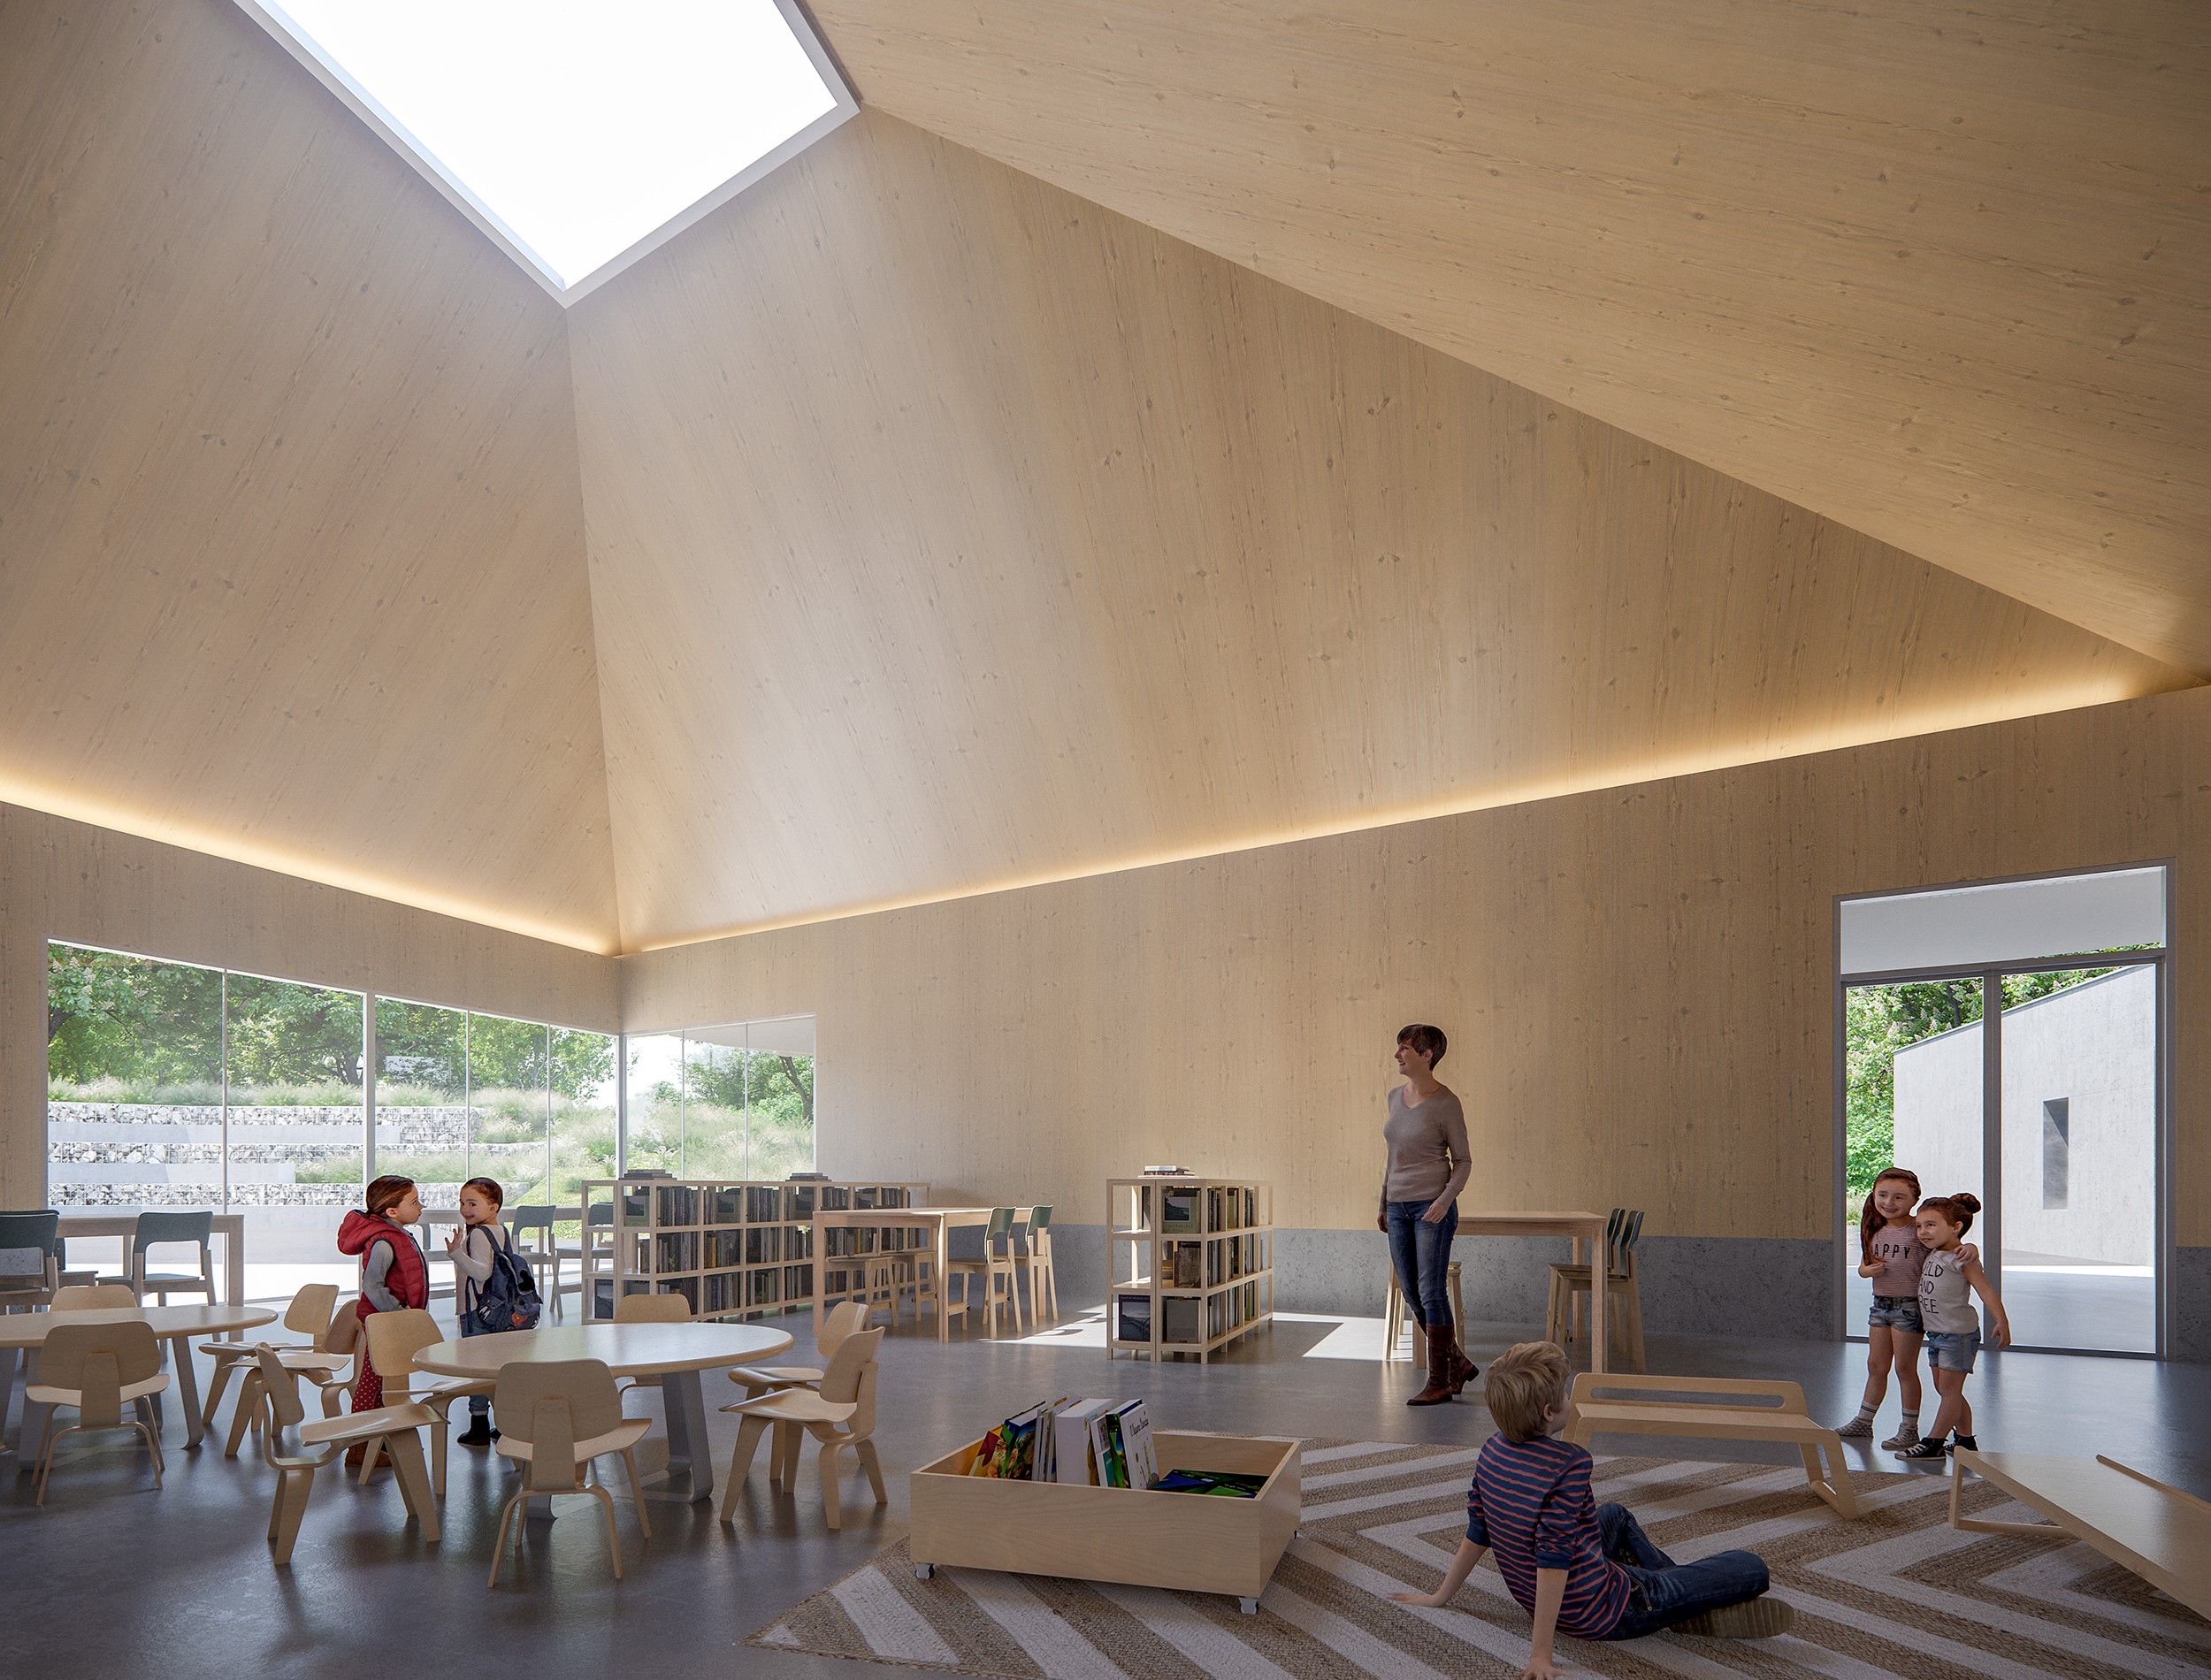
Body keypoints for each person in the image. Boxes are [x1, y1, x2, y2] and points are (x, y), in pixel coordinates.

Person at [1391, 1342, 1793, 1676]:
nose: (1570, 1400)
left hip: (1541, 1594)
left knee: (1614, 1514)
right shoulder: (1569, 1465)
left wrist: (1439, 1596)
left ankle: (1676, 1596)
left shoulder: (1491, 1451)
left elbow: (1478, 1533)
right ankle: (1677, 1606)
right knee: (1750, 1566)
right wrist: (1540, 1655)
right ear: (1549, 1413)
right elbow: (1553, 1560)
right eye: (1565, 1395)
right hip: (1605, 1610)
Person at [1378, 1022, 1475, 1404]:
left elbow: (1463, 1161)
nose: (1397, 1055)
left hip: (1432, 1208)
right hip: (1397, 1207)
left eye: (1404, 1049)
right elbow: (1393, 1158)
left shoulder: (1447, 1103)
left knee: (1431, 1291)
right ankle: (1457, 1364)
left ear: (1426, 1055)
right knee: (1411, 1291)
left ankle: (1440, 1381)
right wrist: (1383, 1202)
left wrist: (1444, 1201)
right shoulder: (1394, 1097)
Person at [1898, 1192, 2010, 1460]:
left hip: (1957, 1335)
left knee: (1949, 1391)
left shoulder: (1962, 1258)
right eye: (1919, 1226)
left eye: (1931, 1225)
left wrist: (2002, 1320)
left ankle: (1934, 1442)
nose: (1923, 1232)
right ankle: (1965, 1440)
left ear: (1955, 1227)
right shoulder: (1935, 1252)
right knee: (1947, 1390)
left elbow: (1986, 1290)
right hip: (1938, 1334)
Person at [336, 1174, 428, 1419]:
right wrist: (397, 1313)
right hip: (383, 1321)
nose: (421, 1207)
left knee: (380, 1378)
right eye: (414, 1202)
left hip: (388, 1320)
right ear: (392, 1211)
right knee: (372, 1379)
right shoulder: (384, 1241)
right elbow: (372, 1284)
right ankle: (362, 1433)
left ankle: (375, 1429)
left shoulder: (396, 1235)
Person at [445, 1175, 516, 1447]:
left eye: (473, 1204)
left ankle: (478, 1425)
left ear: (493, 1207)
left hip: (477, 1310)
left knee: (476, 1369)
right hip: (501, 1311)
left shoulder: (478, 1234)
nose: (465, 1209)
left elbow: (482, 1273)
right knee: (497, 1368)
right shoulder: (502, 1231)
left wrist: (456, 1253)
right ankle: (505, 1423)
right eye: (462, 1203)